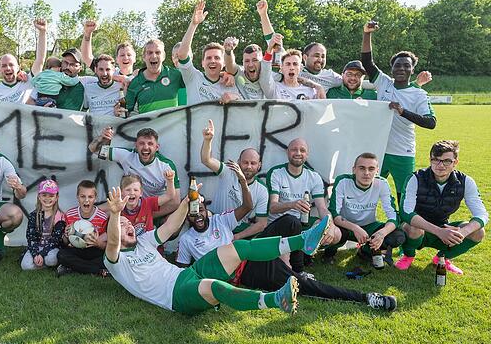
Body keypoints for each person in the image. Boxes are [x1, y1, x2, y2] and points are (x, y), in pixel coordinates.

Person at [104, 186, 334, 315]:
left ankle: (303, 241)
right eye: (121, 226)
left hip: (187, 273)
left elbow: (170, 226)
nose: (127, 226)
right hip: (176, 294)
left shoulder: (144, 241)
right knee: (215, 287)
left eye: (128, 223)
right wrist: (115, 215)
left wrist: (186, 202)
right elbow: (113, 241)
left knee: (237, 248)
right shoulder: (114, 260)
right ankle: (275, 300)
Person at [175, 193, 397, 311]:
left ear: (207, 210)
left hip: (251, 250)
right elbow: (185, 273)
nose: (198, 216)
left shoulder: (219, 221)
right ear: (186, 217)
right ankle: (367, 298)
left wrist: (242, 179)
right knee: (309, 287)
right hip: (245, 271)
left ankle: (300, 264)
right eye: (193, 214)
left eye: (201, 210)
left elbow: (247, 205)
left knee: (290, 221)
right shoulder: (186, 240)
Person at [361, 21, 436, 204]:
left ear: (412, 69)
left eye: (406, 66)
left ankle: (405, 228)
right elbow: (367, 62)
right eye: (398, 65)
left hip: (403, 151)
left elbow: (431, 122)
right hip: (379, 150)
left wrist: (403, 112)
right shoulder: (384, 83)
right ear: (392, 68)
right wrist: (367, 34)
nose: (401, 68)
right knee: (366, 189)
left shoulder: (419, 94)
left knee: (405, 195)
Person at [395, 140, 487, 275]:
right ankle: (408, 255)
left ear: (455, 162)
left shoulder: (466, 181)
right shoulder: (415, 178)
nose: (440, 165)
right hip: (417, 230)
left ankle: (442, 258)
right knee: (413, 227)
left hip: (443, 228)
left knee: (479, 232)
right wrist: (439, 231)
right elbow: (406, 212)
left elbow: (482, 214)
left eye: (447, 161)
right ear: (430, 159)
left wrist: (463, 232)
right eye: (436, 160)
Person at [264, 138, 342, 273]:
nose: (298, 153)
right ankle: (298, 254)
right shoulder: (276, 172)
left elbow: (322, 208)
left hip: (303, 223)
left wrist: (331, 225)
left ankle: (304, 252)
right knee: (286, 270)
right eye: (294, 149)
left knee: (336, 234)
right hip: (281, 225)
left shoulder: (313, 176)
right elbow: (273, 207)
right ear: (288, 152)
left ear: (307, 154)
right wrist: (292, 205)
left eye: (302, 150)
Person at [324, 153, 404, 265]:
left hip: (369, 226)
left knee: (398, 235)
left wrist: (381, 234)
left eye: (371, 169)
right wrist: (355, 228)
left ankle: (365, 252)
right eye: (362, 168)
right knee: (335, 230)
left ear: (377, 171)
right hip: (345, 226)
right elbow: (334, 213)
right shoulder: (343, 181)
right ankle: (329, 253)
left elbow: (393, 215)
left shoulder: (381, 183)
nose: (366, 173)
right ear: (354, 170)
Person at [200, 120, 269, 239]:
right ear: (238, 162)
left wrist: (236, 237)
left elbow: (261, 224)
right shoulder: (228, 171)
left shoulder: (262, 190)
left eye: (253, 163)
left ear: (259, 165)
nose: (248, 166)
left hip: (237, 230)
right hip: (214, 223)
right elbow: (206, 160)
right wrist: (208, 140)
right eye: (245, 162)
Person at [256, 0, 342, 91]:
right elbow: (273, 41)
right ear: (305, 57)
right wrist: (263, 14)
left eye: (323, 56)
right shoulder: (294, 67)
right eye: (316, 55)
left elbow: (353, 79)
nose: (320, 59)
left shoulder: (331, 76)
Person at [177, 0, 242, 105]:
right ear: (202, 63)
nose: (212, 61)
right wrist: (194, 24)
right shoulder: (193, 77)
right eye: (208, 58)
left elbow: (244, 104)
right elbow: (182, 54)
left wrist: (234, 97)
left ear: (224, 63)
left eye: (217, 58)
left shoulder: (230, 83)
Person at [89, 127, 180, 200]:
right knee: (101, 211)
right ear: (136, 146)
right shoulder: (127, 155)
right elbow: (93, 149)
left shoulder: (166, 166)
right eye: (141, 143)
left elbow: (175, 202)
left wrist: (143, 216)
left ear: (157, 147)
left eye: (150, 144)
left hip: (156, 209)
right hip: (131, 206)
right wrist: (102, 137)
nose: (145, 147)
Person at [0, 20, 47, 105]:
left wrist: (42, 32)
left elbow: (40, 60)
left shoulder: (28, 82)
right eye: (4, 65)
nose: (8, 68)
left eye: (11, 65)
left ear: (18, 67)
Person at [56, 180, 110, 277]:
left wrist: (97, 242)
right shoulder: (70, 214)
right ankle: (96, 270)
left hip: (94, 250)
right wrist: (66, 236)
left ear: (95, 198)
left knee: (107, 257)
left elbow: (106, 246)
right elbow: (65, 243)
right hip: (77, 250)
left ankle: (72, 267)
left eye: (90, 197)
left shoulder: (103, 217)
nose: (86, 200)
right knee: (61, 255)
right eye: (82, 196)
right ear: (77, 197)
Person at [125, 39, 186, 114]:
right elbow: (126, 111)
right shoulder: (135, 82)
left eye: (158, 52)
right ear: (144, 57)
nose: (154, 56)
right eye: (150, 53)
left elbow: (197, 83)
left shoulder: (175, 75)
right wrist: (119, 110)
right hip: (147, 126)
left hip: (173, 126)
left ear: (163, 56)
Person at [21, 180, 67, 271]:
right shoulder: (33, 215)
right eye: (44, 195)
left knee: (51, 260)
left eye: (51, 196)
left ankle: (43, 263)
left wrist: (42, 254)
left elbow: (56, 240)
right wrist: (35, 254)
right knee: (25, 266)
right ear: (39, 196)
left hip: (52, 247)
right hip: (37, 246)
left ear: (57, 197)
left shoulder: (60, 217)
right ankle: (42, 264)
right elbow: (31, 238)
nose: (47, 198)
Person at [263, 36, 325, 101]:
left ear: (300, 68)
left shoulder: (311, 92)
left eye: (295, 64)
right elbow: (265, 73)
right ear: (281, 68)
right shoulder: (274, 88)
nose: (291, 68)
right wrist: (269, 49)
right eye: (288, 64)